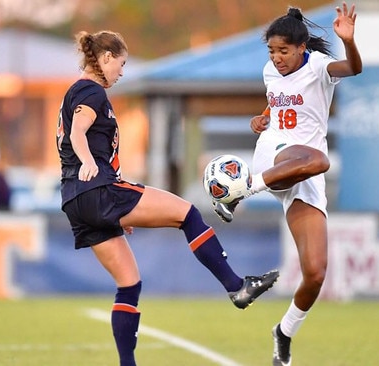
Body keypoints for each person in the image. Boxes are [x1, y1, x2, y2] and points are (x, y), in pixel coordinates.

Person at [57, 30, 279, 366]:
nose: (122, 72)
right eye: (120, 63)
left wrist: (114, 210)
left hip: (77, 201)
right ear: (104, 59)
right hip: (97, 189)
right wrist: (91, 167)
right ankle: (236, 286)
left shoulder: (75, 93)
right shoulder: (90, 90)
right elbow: (77, 132)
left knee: (129, 284)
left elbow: (70, 140)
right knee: (187, 213)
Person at [211, 3, 362, 365]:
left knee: (315, 272)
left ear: (300, 48)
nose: (276, 58)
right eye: (272, 51)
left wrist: (349, 41)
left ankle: (284, 332)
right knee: (320, 160)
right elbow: (277, 103)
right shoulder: (269, 70)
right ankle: (241, 190)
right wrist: (262, 119)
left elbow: (354, 68)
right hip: (274, 157)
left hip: (302, 174)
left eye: (283, 51)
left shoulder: (320, 67)